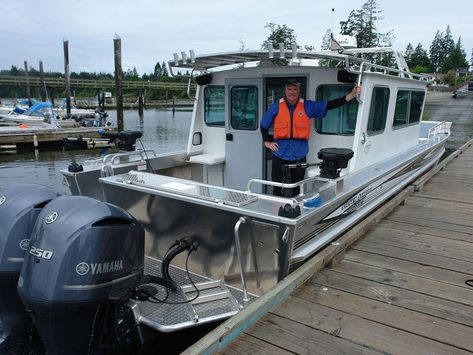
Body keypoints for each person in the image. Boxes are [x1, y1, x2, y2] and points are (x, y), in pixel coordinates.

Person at [260, 79, 361, 197]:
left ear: (299, 91)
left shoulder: (307, 106)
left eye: (295, 89)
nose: (292, 92)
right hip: (279, 155)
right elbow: (263, 125)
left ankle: (294, 211)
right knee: (277, 187)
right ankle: (276, 213)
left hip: (299, 156)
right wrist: (267, 142)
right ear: (285, 90)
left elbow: (329, 105)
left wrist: (352, 95)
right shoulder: (276, 107)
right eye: (289, 89)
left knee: (297, 188)